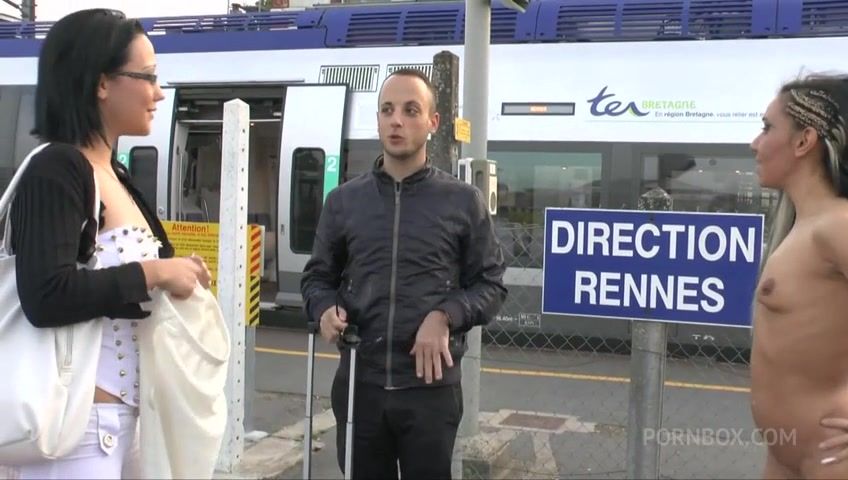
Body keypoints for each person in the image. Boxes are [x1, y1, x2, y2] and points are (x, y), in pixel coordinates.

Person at [8, 9, 211, 479]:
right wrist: (154, 272)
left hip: (122, 424)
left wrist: (176, 273)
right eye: (148, 76)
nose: (159, 93)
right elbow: (46, 294)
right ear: (102, 83)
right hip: (75, 432)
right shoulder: (58, 168)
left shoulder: (112, 172)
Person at [301, 68, 508, 480]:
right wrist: (323, 308)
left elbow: (491, 284)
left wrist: (445, 315)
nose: (396, 120)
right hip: (360, 385)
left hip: (431, 392)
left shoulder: (463, 202)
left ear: (433, 122)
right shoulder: (344, 202)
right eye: (387, 110)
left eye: (411, 110)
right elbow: (316, 278)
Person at [749, 73, 848, 479]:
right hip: (787, 457)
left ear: (804, 141)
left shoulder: (837, 224)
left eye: (767, 128)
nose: (754, 144)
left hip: (831, 459)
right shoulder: (801, 227)